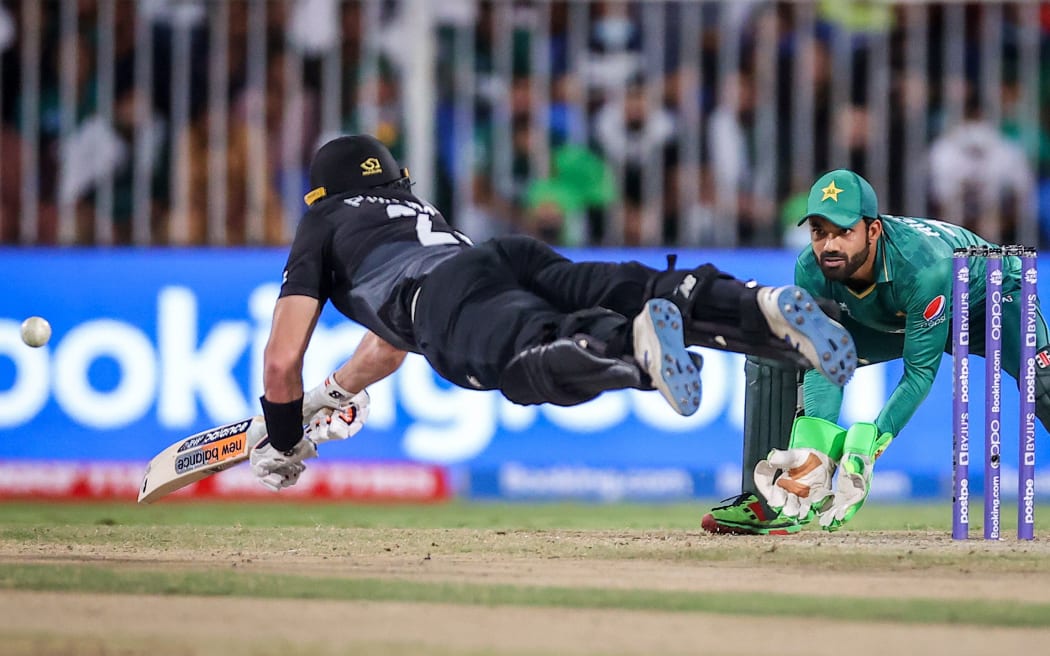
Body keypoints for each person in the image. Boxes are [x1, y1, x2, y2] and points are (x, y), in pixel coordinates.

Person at [246, 135, 858, 491]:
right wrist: (332, 392)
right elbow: (384, 345)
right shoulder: (416, 209)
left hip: (442, 301)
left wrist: (283, 437)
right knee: (624, 284)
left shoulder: (323, 220)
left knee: (529, 361)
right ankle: (753, 305)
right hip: (500, 256)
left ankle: (631, 349)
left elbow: (281, 360)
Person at [702, 168, 1050, 535]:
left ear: (873, 230)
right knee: (777, 354)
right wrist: (816, 450)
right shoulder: (811, 268)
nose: (830, 246)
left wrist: (871, 445)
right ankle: (773, 504)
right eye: (820, 233)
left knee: (1043, 384)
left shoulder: (922, 267)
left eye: (844, 232)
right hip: (895, 315)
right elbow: (825, 358)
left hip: (986, 298)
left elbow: (919, 374)